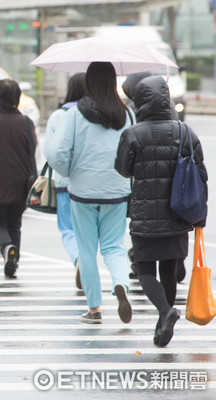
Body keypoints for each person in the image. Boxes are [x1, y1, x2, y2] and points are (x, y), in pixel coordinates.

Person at [115, 76, 208, 346]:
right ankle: (162, 324)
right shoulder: (184, 130)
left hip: (145, 213)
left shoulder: (133, 133)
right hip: (178, 212)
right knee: (168, 270)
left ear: (140, 101)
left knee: (144, 270)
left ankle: (166, 313)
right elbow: (200, 171)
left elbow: (122, 169)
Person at [46, 62, 134, 324]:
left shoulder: (74, 114)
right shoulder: (127, 114)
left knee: (86, 250)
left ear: (89, 83)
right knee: (114, 246)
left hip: (83, 191)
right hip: (117, 189)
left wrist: (71, 171)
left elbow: (57, 154)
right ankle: (121, 285)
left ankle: (94, 308)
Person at [0, 79, 36, 279]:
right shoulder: (27, 122)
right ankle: (14, 261)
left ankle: (6, 247)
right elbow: (32, 149)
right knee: (15, 223)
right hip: (21, 182)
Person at [43, 73, 85, 289]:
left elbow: (49, 151)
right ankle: (86, 263)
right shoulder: (97, 115)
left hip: (63, 182)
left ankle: (78, 259)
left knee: (68, 229)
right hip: (90, 184)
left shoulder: (59, 115)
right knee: (88, 231)